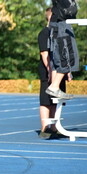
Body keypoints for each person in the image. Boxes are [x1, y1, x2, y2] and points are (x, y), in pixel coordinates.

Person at [37, 7, 67, 139]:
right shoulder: (45, 33)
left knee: (56, 100)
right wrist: (49, 70)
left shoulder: (60, 34)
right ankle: (45, 127)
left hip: (59, 71)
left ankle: (55, 127)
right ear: (50, 17)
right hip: (48, 71)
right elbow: (44, 53)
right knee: (46, 100)